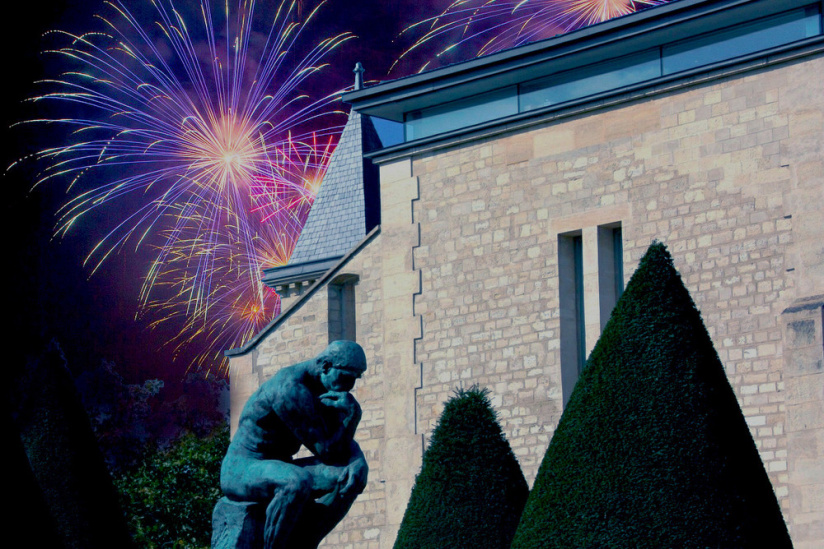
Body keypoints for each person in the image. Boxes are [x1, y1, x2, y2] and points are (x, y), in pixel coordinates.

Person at [220, 341, 369, 549]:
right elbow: (327, 451)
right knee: (295, 482)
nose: (350, 386)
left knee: (350, 476)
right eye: (346, 377)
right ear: (325, 366)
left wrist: (357, 459)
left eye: (355, 378)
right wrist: (352, 416)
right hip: (242, 467)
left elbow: (339, 441)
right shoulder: (289, 388)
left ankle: (304, 543)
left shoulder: (325, 389)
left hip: (279, 465)